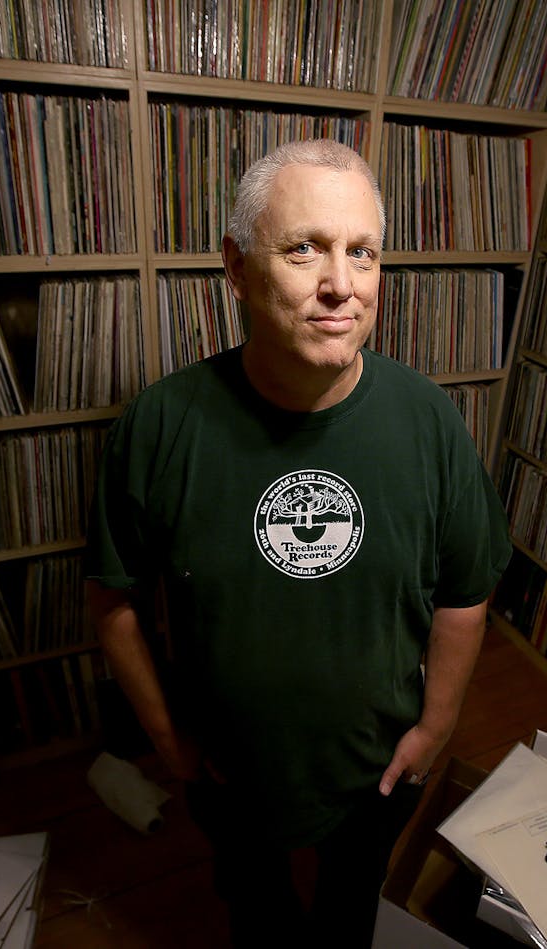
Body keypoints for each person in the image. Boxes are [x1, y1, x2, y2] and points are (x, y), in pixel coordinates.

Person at [84, 138, 511, 947]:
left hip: (378, 766)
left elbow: (464, 590)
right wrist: (168, 738)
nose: (340, 286)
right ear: (238, 268)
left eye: (362, 252)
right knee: (257, 904)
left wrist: (437, 725)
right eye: (304, 248)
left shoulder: (429, 422)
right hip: (226, 770)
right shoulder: (161, 423)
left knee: (352, 902)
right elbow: (114, 598)